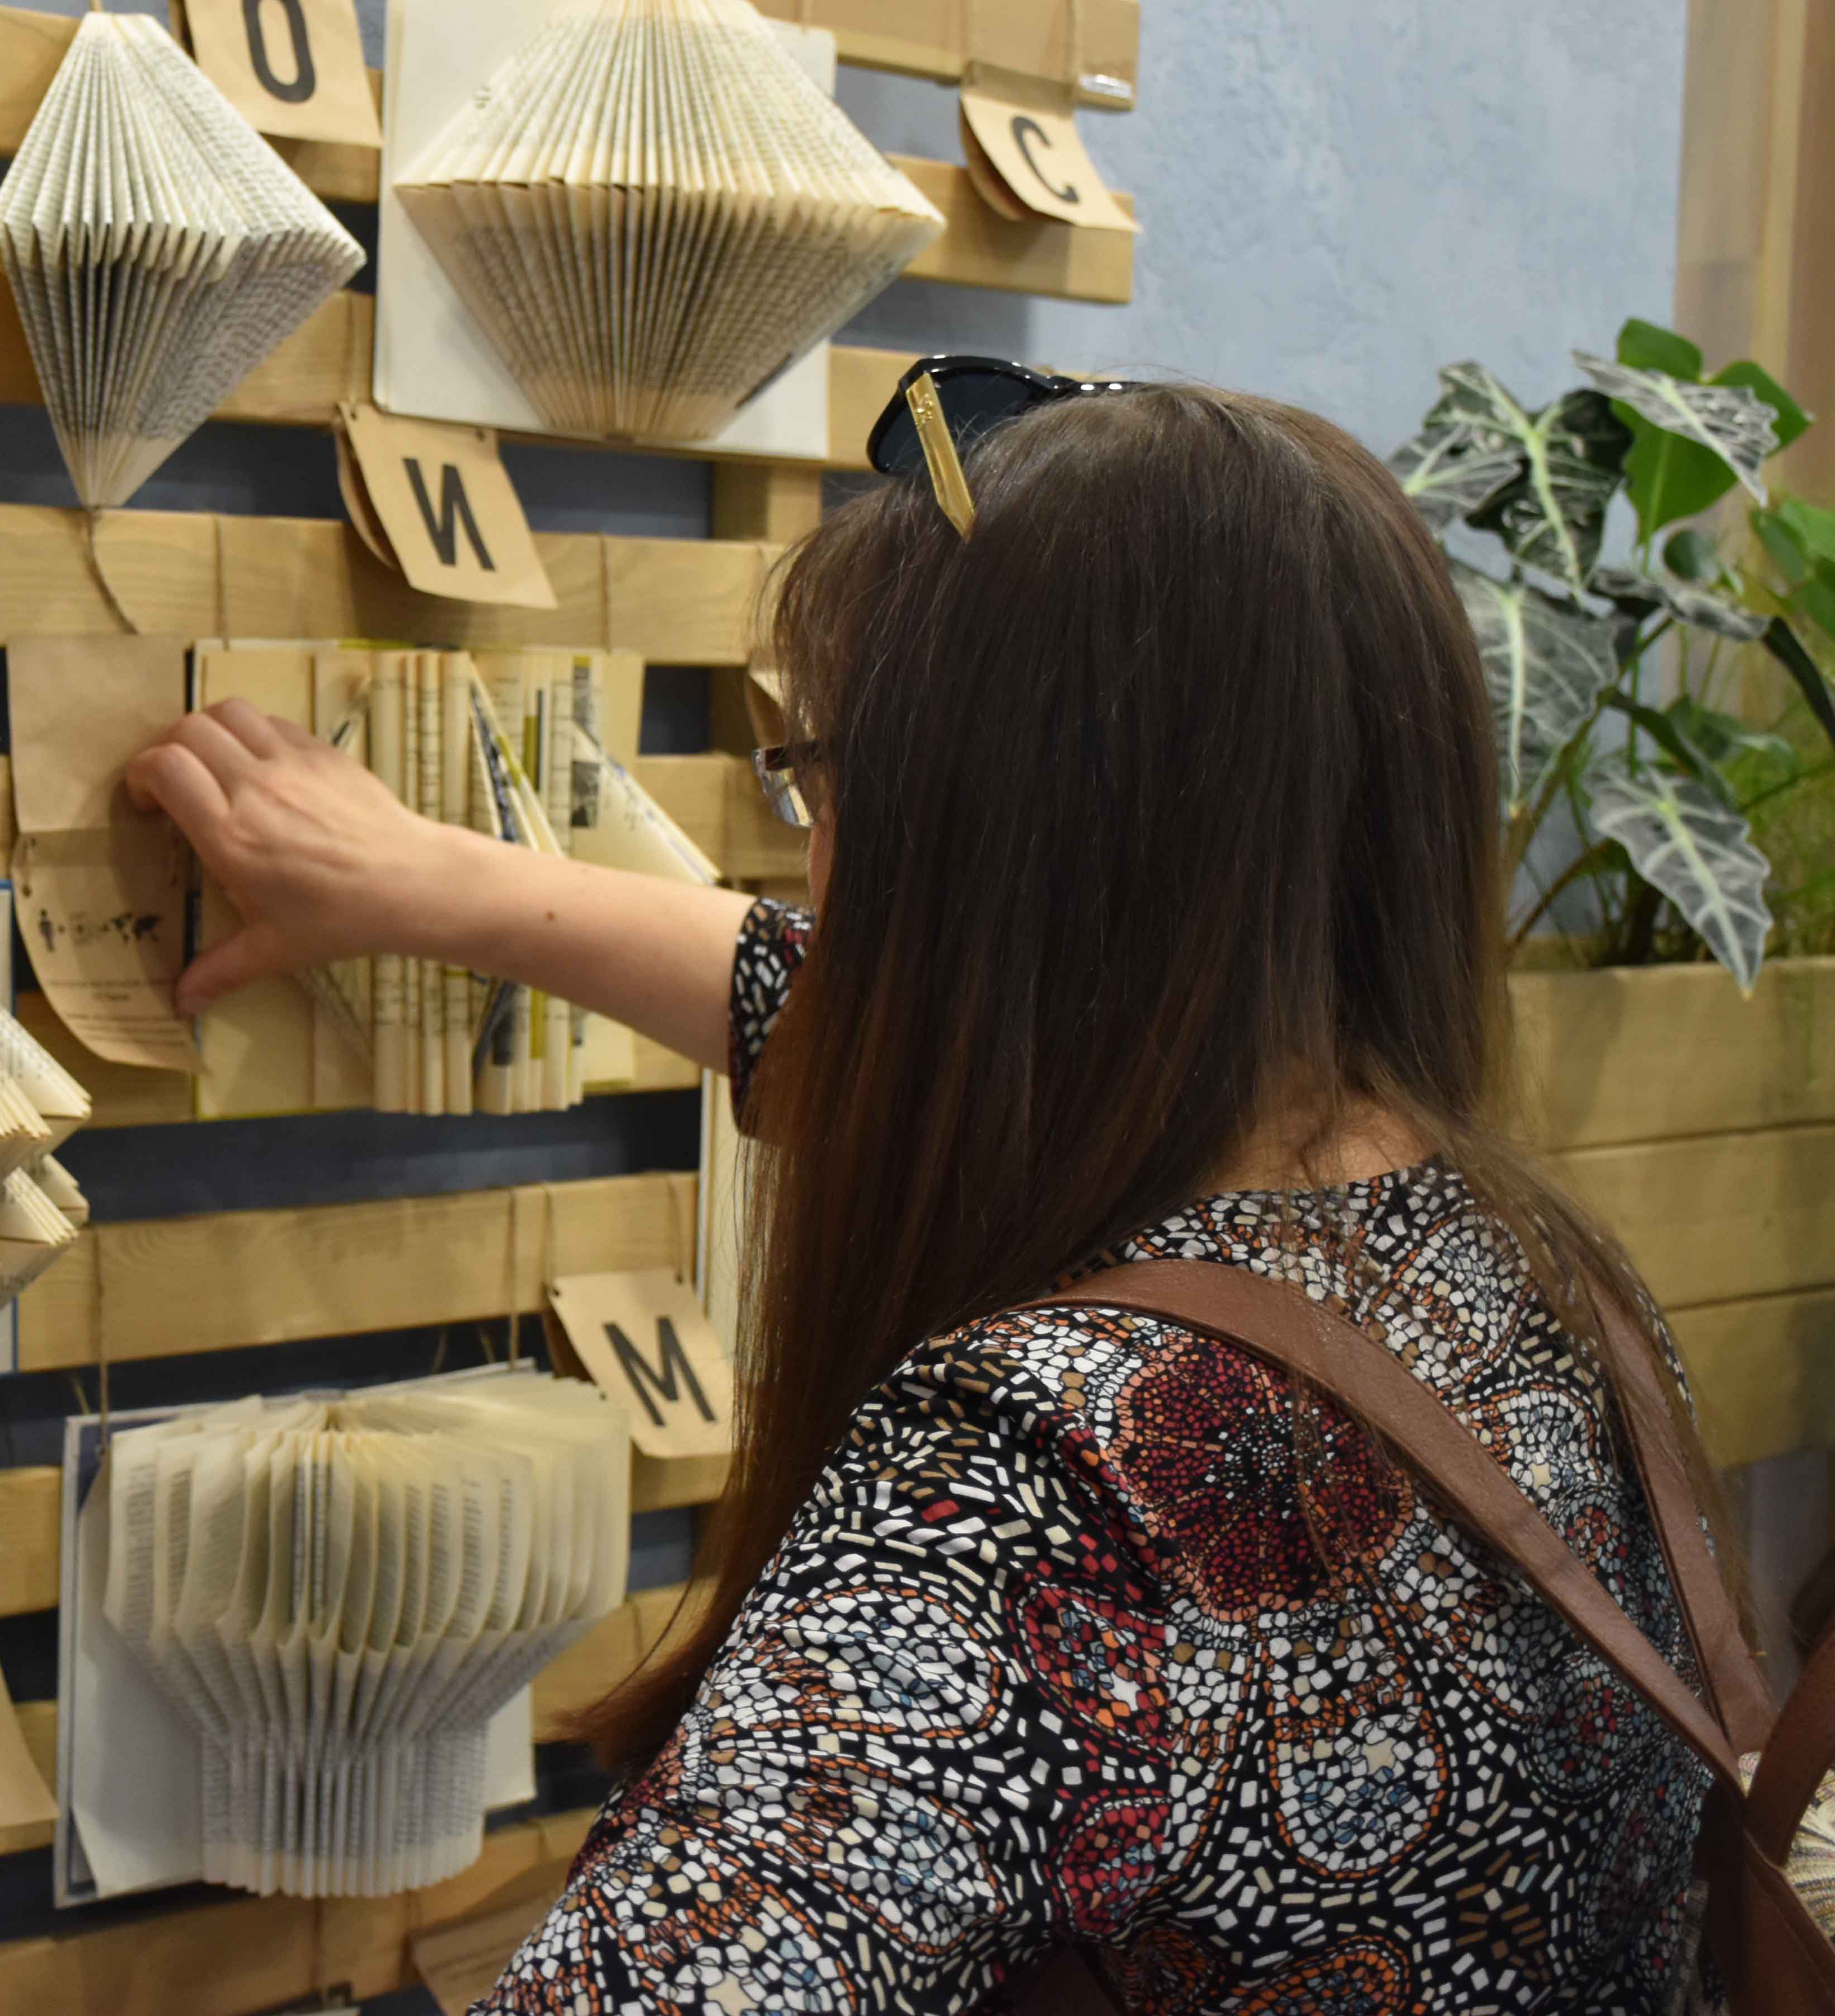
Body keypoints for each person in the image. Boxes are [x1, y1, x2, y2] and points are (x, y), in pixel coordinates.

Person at [123, 370, 1724, 2010]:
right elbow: (891, 1014)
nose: (815, 858)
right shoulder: (1539, 1279)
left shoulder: (1041, 1489)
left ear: (974, 855)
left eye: (822, 783)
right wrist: (433, 882)